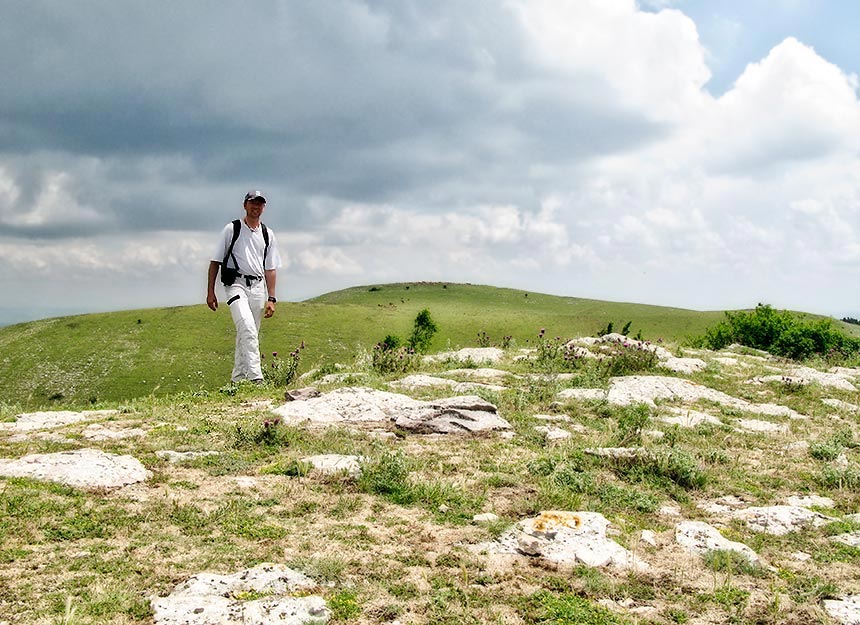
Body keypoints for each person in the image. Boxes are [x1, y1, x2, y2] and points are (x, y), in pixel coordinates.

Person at [207, 190, 282, 383]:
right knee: (247, 328)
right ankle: (256, 379)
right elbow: (215, 261)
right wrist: (210, 292)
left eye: (259, 203)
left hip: (257, 287)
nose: (256, 207)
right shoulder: (232, 229)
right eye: (252, 203)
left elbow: (270, 268)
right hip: (235, 284)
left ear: (264, 207)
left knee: (247, 333)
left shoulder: (267, 234)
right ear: (245, 205)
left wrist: (271, 298)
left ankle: (238, 379)